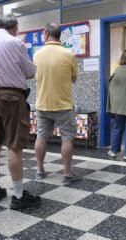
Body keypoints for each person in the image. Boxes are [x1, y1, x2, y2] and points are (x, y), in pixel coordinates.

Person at [0, 14, 41, 209]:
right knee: (14, 146)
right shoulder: (15, 42)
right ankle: (19, 196)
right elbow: (30, 72)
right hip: (12, 97)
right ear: (14, 27)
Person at [33, 23, 79, 183]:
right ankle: (66, 173)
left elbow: (35, 76)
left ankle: (40, 170)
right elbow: (74, 79)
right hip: (63, 105)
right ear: (60, 35)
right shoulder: (69, 54)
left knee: (41, 137)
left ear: (45, 34)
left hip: (42, 104)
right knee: (67, 138)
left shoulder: (37, 55)